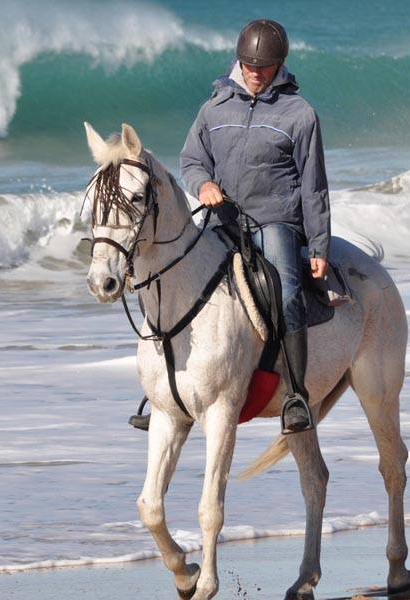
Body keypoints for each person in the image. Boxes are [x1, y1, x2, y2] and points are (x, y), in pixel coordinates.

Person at [180, 19, 331, 434]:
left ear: (279, 64)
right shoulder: (214, 107)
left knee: (284, 289)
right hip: (223, 220)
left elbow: (314, 185)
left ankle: (297, 395)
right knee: (180, 280)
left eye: (263, 67)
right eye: (249, 64)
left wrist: (318, 247)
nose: (255, 73)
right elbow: (191, 160)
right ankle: (170, 389)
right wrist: (204, 184)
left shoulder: (299, 114)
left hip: (274, 221)